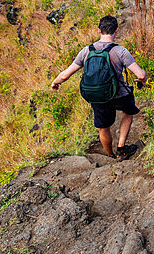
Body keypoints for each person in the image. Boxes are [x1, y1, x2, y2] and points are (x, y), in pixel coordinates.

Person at [50, 15, 146, 160]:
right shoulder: (120, 51)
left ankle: (109, 155)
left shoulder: (86, 51)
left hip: (97, 95)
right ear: (116, 30)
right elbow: (141, 74)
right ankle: (121, 149)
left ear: (99, 30)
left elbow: (65, 75)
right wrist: (141, 80)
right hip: (119, 93)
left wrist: (55, 82)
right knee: (128, 113)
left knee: (103, 127)